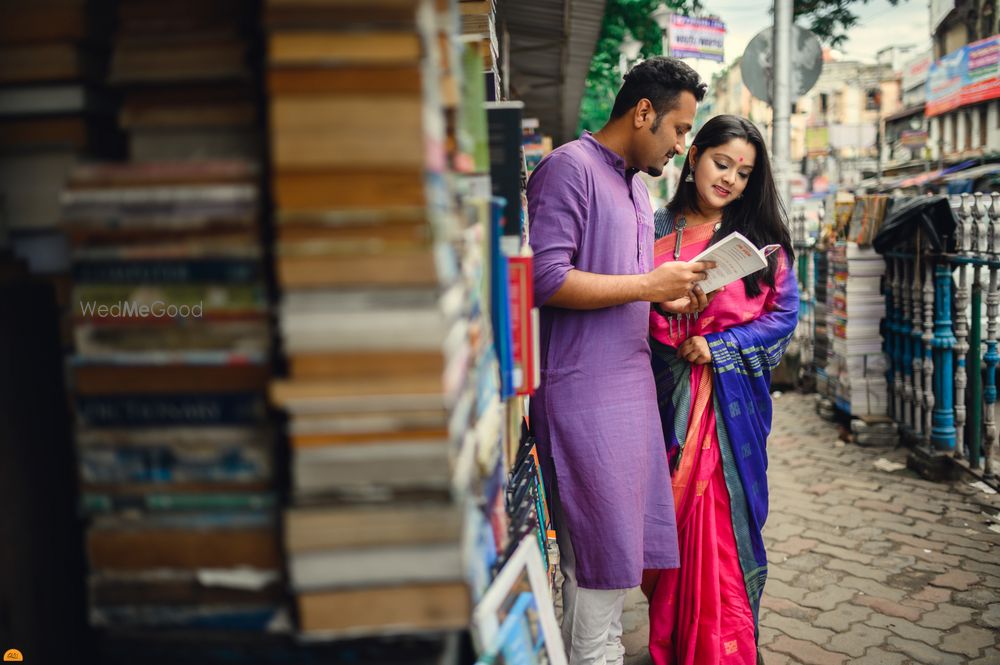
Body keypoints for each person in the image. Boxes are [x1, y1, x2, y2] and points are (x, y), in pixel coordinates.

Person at [527, 57, 711, 665]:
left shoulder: (636, 186)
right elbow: (546, 281)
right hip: (581, 395)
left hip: (630, 394)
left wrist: (674, 295)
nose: (683, 146)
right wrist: (646, 286)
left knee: (615, 566)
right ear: (642, 113)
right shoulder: (566, 170)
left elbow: (627, 284)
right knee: (597, 565)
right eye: (679, 129)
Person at [641, 115, 799, 665]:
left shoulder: (762, 245)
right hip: (665, 403)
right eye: (722, 162)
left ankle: (723, 651)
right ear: (694, 157)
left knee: (721, 528)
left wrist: (721, 347)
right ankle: (675, 644)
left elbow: (783, 317)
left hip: (730, 414)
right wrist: (663, 306)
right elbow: (624, 312)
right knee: (673, 531)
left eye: (745, 172)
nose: (730, 178)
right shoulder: (652, 230)